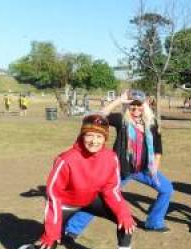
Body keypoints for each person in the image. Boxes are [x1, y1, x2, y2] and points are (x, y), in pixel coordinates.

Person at [8, 114, 140, 249]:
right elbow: (53, 197)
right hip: (66, 205)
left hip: (90, 199)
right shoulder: (66, 159)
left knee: (126, 221)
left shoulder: (110, 158)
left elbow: (111, 189)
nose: (94, 141)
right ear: (82, 135)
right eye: (89, 135)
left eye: (99, 136)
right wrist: (51, 233)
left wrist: (122, 213)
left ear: (105, 138)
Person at [64, 89, 173, 236]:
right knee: (102, 197)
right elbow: (98, 116)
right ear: (128, 106)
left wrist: (155, 167)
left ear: (145, 105)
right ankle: (72, 229)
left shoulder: (152, 124)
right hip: (121, 170)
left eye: (139, 105)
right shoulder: (122, 120)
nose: (136, 109)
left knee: (167, 189)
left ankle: (154, 223)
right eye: (132, 106)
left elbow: (158, 148)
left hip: (144, 169)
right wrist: (118, 101)